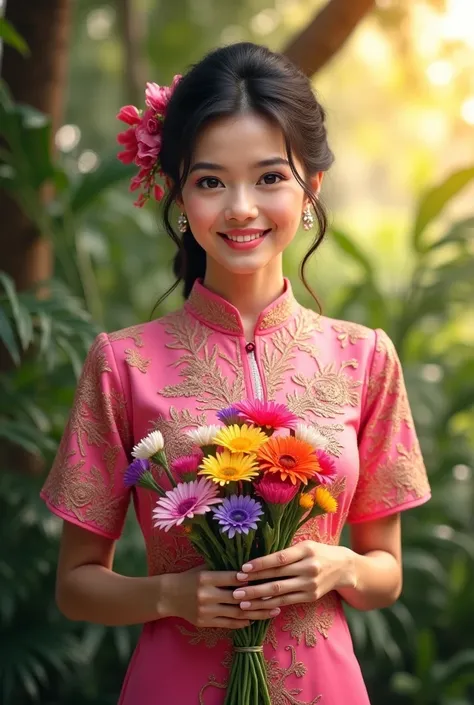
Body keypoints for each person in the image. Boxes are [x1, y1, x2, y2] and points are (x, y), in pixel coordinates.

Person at [40, 42, 431, 704]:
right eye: (212, 181)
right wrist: (168, 593)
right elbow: (77, 584)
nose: (241, 208)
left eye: (270, 177)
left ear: (311, 186)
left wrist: (337, 565)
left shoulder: (366, 358)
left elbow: (385, 572)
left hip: (323, 687)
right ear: (180, 193)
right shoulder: (123, 362)